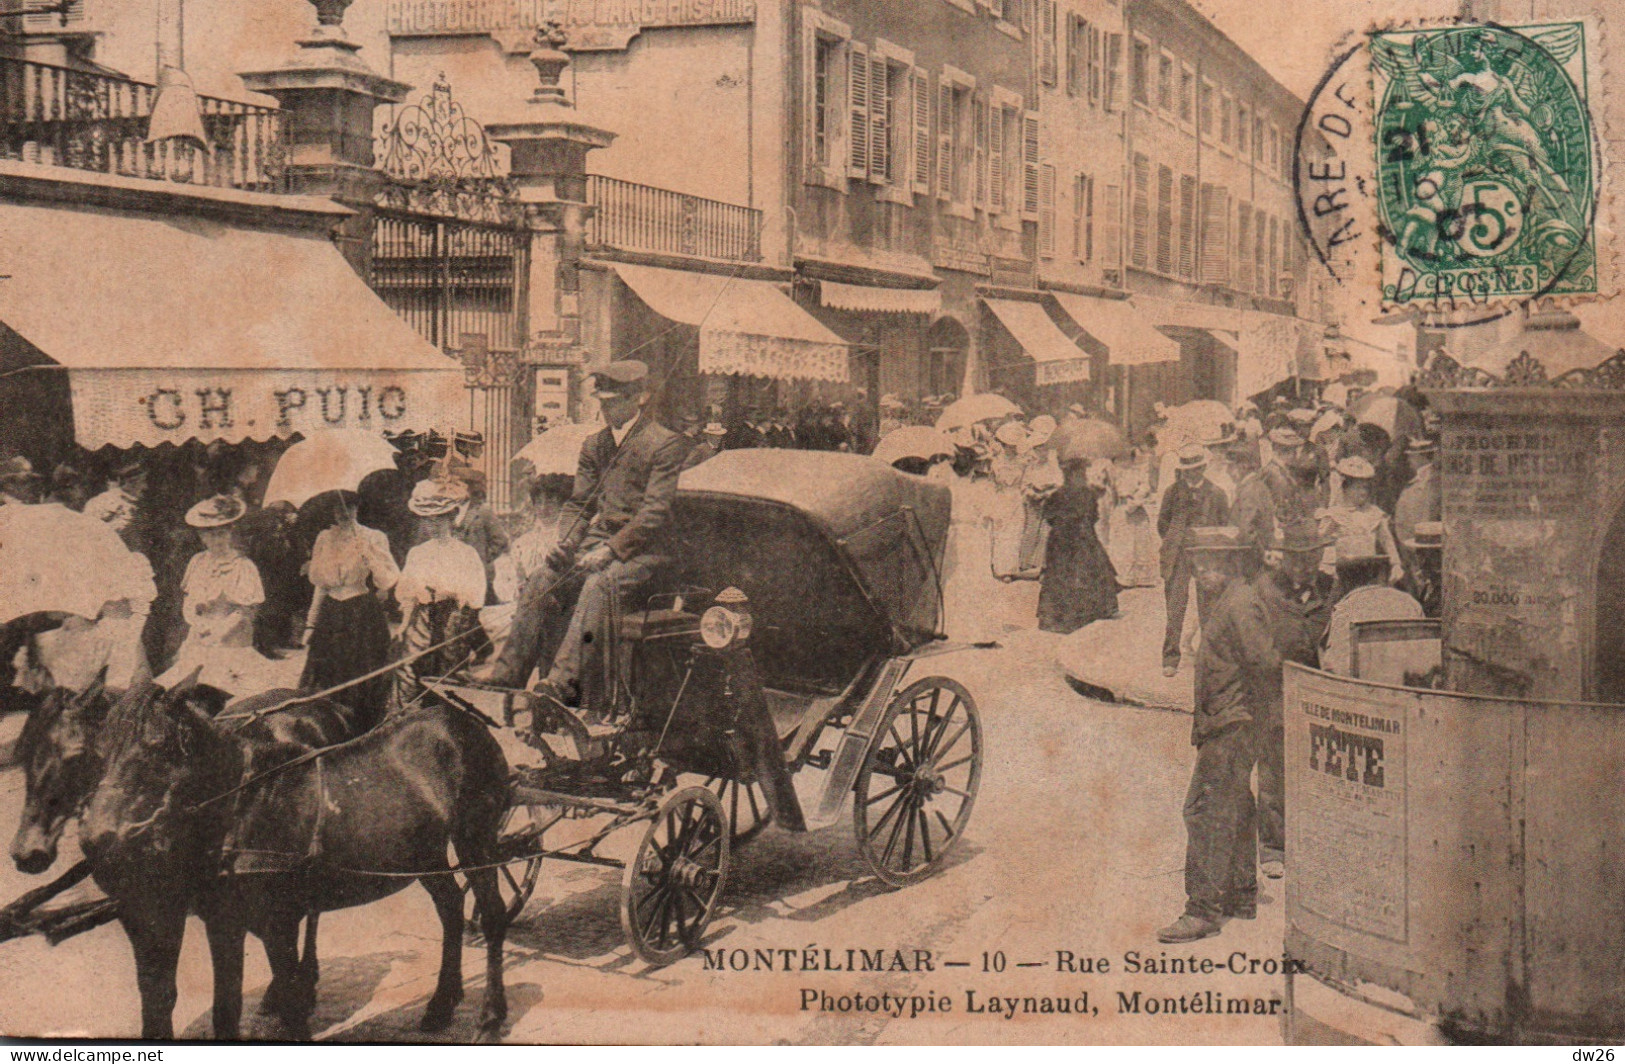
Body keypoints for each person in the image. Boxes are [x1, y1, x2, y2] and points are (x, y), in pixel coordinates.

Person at [483, 360, 686, 706]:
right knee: (542, 579)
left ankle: (561, 683)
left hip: (648, 554)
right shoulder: (595, 445)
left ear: (640, 397)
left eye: (614, 401)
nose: (606, 409)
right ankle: (506, 675)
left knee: (598, 584)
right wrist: (565, 544)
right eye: (603, 402)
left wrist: (610, 550)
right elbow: (580, 505)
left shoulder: (666, 444)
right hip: (599, 545)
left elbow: (654, 513)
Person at [1156, 525, 1265, 943]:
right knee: (1236, 801)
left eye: (1210, 563)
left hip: (1231, 723)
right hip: (1228, 721)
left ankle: (1201, 910)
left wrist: (1245, 719)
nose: (1201, 571)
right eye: (1198, 562)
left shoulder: (1239, 606)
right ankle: (1241, 894)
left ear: (1232, 562)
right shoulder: (1228, 601)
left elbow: (1264, 665)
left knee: (1202, 810)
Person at [157, 494, 291, 694]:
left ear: (230, 533)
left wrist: (218, 632)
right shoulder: (197, 562)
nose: (216, 539)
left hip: (232, 644)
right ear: (202, 536)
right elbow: (190, 600)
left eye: (221, 533)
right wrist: (198, 623)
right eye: (210, 534)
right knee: (175, 690)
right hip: (200, 639)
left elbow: (245, 612)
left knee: (231, 693)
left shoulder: (243, 566)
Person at [301, 492, 400, 728]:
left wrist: (370, 557)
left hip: (361, 614)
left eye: (349, 507)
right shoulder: (324, 538)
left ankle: (363, 726)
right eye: (338, 508)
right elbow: (321, 587)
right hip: (331, 615)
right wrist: (311, 624)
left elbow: (387, 580)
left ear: (357, 508)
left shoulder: (372, 537)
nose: (344, 513)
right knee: (326, 675)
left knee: (361, 676)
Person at [394, 477, 487, 702]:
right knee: (410, 671)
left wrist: (452, 594)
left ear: (450, 518)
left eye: (438, 520)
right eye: (428, 521)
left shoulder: (465, 553)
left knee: (446, 675)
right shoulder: (418, 553)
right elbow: (407, 593)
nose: (432, 526)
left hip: (451, 621)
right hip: (421, 620)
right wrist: (404, 624)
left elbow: (474, 596)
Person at [1158, 445, 1231, 676]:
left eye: (1196, 469)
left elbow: (1224, 526)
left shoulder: (1217, 493)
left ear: (1204, 468)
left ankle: (1209, 658)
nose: (1192, 474)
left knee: (1208, 607)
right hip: (1179, 555)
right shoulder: (1172, 492)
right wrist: (1175, 540)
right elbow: (1162, 524)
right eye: (1187, 470)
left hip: (1207, 556)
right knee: (1175, 606)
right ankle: (1170, 658)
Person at [1038, 457, 1120, 634]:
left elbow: (1048, 516)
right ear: (1075, 475)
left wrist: (1062, 523)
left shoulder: (1056, 494)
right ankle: (1087, 611)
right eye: (1081, 474)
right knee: (1086, 568)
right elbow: (1095, 516)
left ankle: (1059, 615)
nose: (1083, 477)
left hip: (1060, 539)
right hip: (1082, 537)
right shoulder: (1087, 493)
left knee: (1062, 572)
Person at [1319, 555, 1424, 676]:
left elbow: (1336, 668)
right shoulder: (1409, 603)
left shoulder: (1344, 610)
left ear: (1343, 579)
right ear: (1382, 573)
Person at [1318, 456, 1404, 600]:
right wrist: (1327, 565)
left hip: (1370, 575)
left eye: (1365, 488)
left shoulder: (1374, 514)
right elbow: (1321, 541)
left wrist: (1396, 564)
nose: (1363, 492)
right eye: (1357, 488)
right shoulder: (1335, 515)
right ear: (1345, 488)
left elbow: (1387, 540)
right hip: (1342, 576)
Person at [1232, 426, 1323, 553]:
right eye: (1292, 450)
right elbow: (1279, 507)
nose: (1295, 455)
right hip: (1280, 532)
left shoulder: (1280, 470)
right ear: (1283, 451)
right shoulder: (1274, 473)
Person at [1393, 436, 1440, 595]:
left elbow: (1426, 516)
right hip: (1415, 545)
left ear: (1420, 457)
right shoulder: (1419, 481)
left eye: (1411, 456)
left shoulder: (1430, 482)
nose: (1408, 460)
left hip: (1422, 547)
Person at [1017, 416, 1061, 575]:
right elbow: (1024, 485)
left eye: (1043, 448)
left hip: (1048, 500)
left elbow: (1058, 484)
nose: (1040, 452)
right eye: (1037, 449)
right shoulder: (1032, 467)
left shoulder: (1052, 466)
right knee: (1031, 529)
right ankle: (1025, 562)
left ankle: (1043, 564)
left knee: (1045, 531)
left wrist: (1047, 494)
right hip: (1033, 501)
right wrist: (1031, 494)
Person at [85, 457, 148, 538]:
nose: (146, 487)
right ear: (129, 482)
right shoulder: (101, 502)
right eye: (143, 481)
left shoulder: (142, 504)